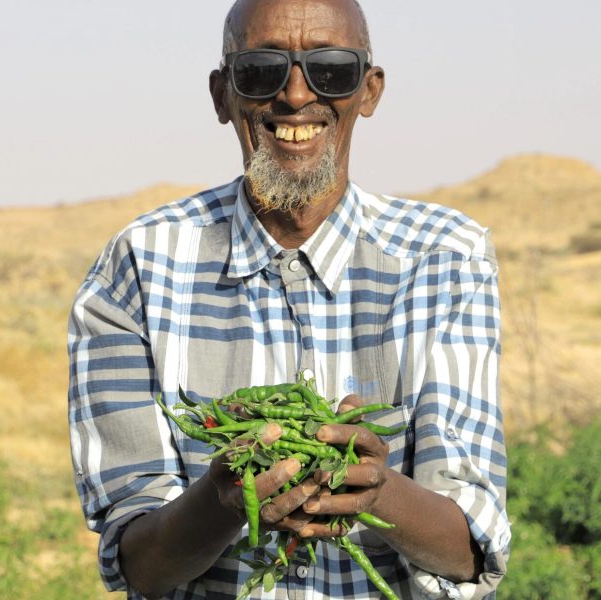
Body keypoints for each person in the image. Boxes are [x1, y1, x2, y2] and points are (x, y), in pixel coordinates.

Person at [68, 0, 509, 597]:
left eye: (331, 70)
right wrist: (224, 501)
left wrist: (377, 489)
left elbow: (469, 550)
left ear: (369, 91)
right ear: (223, 96)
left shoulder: (446, 258)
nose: (296, 96)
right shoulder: (139, 266)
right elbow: (140, 564)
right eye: (260, 71)